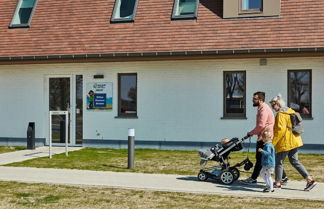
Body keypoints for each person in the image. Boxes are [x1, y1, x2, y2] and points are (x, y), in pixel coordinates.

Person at [269, 94, 316, 191]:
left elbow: (280, 130)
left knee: (279, 162)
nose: (272, 108)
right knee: (294, 161)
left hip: (286, 142)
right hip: (295, 140)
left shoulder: (281, 115)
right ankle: (309, 180)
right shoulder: (290, 111)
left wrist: (272, 143)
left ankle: (277, 183)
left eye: (273, 106)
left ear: (278, 104)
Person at [241, 92, 275, 184]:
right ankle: (283, 177)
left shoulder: (263, 109)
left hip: (264, 137)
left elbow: (261, 126)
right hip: (265, 135)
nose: (253, 100)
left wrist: (250, 133)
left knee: (259, 158)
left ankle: (253, 178)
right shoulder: (262, 107)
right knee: (265, 157)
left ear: (260, 100)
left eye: (255, 99)